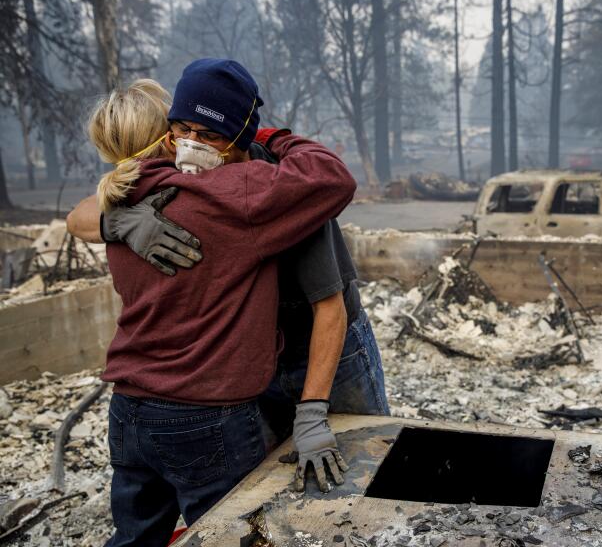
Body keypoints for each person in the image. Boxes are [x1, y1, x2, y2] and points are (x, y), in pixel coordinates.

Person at [68, 60, 390, 492]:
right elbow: (80, 215)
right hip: (254, 359)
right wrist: (119, 222)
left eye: (208, 135)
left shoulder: (284, 190)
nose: (190, 146)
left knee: (361, 470)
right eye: (181, 129)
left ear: (239, 137)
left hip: (327, 349)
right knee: (281, 486)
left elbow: (328, 308)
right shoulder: (179, 185)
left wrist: (313, 410)